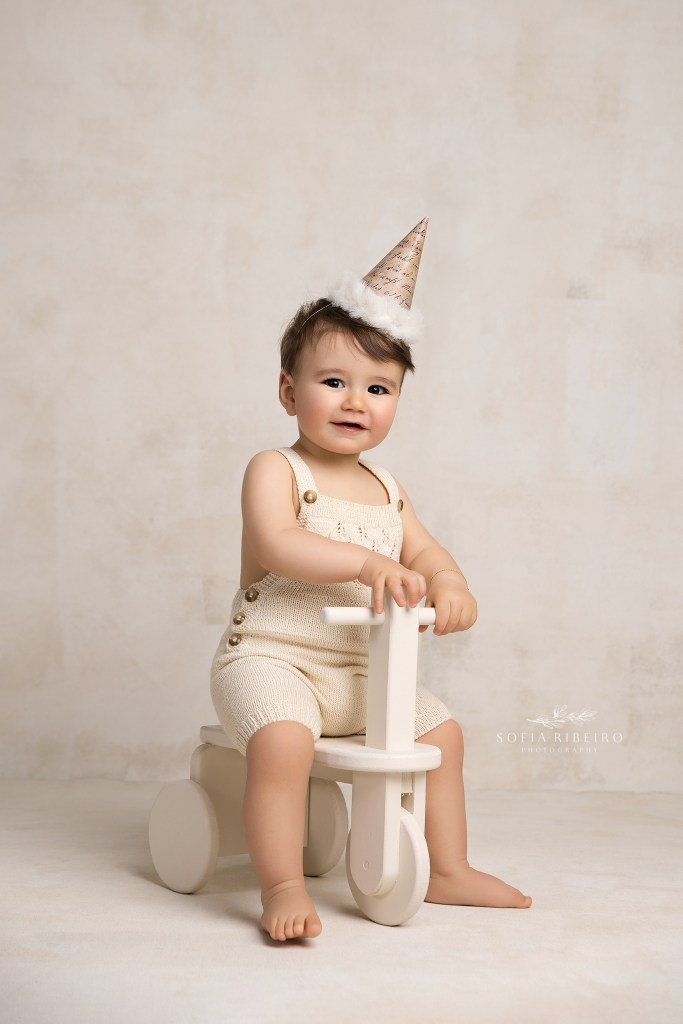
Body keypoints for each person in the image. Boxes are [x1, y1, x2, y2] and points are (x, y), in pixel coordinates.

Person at [211, 219, 532, 941]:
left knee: (442, 736)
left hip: (363, 674)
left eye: (378, 388)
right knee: (285, 742)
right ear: (289, 393)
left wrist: (450, 584)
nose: (357, 401)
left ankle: (445, 868)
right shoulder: (275, 469)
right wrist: (363, 563)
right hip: (272, 662)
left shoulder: (386, 488)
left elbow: (424, 551)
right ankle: (282, 884)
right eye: (334, 382)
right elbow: (277, 542)